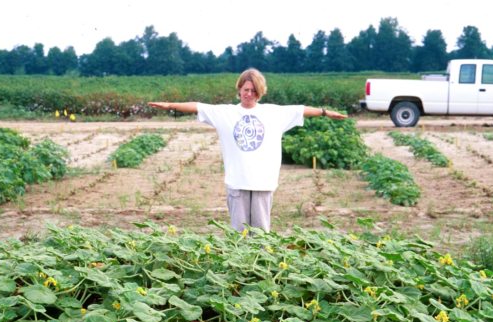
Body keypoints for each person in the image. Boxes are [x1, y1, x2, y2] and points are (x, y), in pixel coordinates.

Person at [148, 68, 347, 233]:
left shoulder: (273, 113)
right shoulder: (225, 113)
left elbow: (301, 110)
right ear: (239, 89)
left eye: (253, 91)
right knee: (239, 234)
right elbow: (197, 107)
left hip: (263, 183)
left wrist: (325, 112)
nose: (249, 94)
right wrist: (170, 105)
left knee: (261, 233)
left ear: (260, 93)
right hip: (237, 183)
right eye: (246, 89)